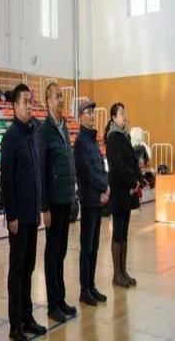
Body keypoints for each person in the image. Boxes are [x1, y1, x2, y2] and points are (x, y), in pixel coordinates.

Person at [1, 83, 47, 341]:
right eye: (25, 102)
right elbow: (7, 180)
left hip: (32, 215)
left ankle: (28, 318)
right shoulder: (11, 137)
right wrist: (12, 216)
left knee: (28, 269)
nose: (30, 106)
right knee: (17, 271)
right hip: (19, 218)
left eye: (31, 102)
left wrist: (38, 209)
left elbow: (35, 175)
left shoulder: (32, 134)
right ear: (15, 106)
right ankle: (15, 324)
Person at [36, 83, 77, 324]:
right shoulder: (44, 131)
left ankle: (60, 299)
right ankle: (53, 304)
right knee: (52, 253)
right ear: (48, 101)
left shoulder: (64, 127)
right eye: (56, 97)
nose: (60, 100)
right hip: (53, 202)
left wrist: (73, 196)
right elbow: (42, 171)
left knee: (61, 252)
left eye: (62, 96)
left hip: (66, 199)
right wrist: (45, 207)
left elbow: (69, 164)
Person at [73, 101, 109, 306]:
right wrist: (103, 187)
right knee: (86, 247)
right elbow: (86, 172)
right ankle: (84, 290)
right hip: (88, 200)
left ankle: (92, 285)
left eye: (92, 113)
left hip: (98, 200)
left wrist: (105, 187)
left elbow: (101, 167)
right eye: (87, 112)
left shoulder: (94, 141)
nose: (91, 115)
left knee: (94, 247)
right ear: (80, 117)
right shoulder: (80, 142)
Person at [104, 102, 141, 288]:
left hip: (128, 189)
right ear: (113, 117)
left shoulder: (124, 136)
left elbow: (133, 160)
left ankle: (123, 272)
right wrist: (132, 181)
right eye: (120, 113)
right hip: (119, 190)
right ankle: (116, 275)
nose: (124, 116)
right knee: (117, 232)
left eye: (124, 113)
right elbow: (118, 166)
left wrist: (138, 179)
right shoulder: (112, 138)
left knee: (124, 232)